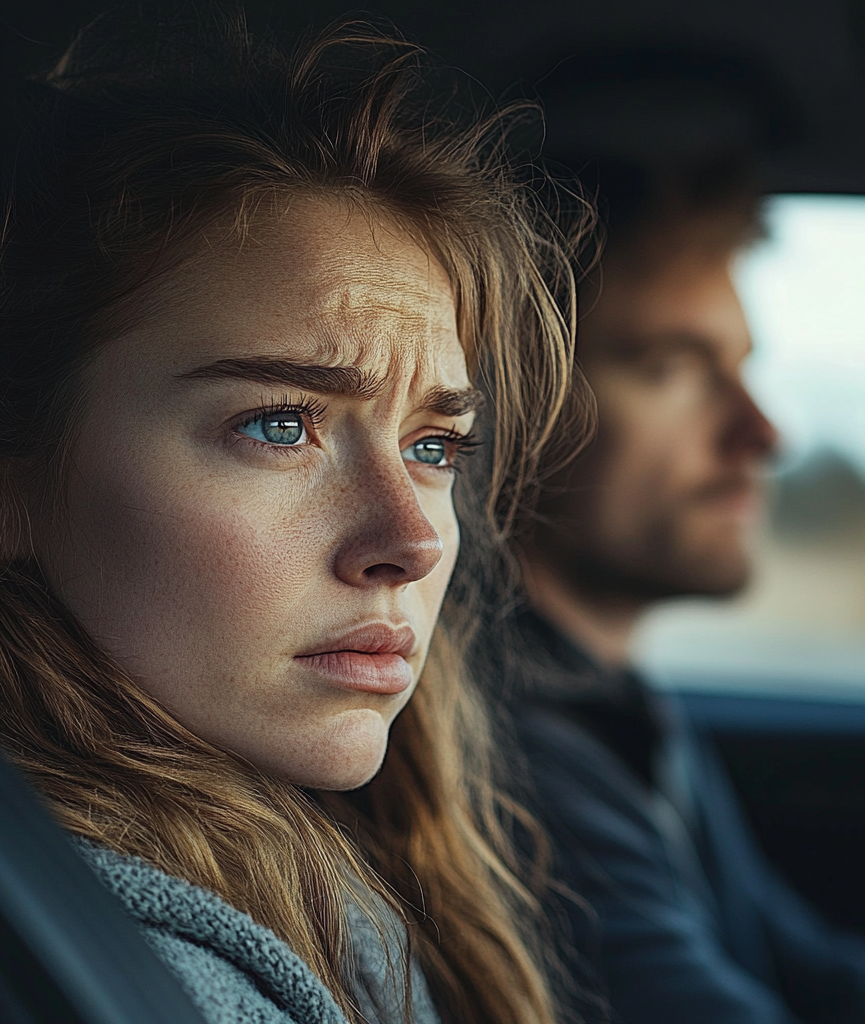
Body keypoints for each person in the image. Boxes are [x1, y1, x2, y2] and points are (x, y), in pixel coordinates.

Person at [0, 8, 590, 1024]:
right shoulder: (123, 959)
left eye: (433, 445)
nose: (409, 540)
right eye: (280, 424)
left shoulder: (317, 884)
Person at [503, 151, 865, 1021]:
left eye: (742, 365)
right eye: (670, 366)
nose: (763, 430)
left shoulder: (613, 706)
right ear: (507, 405)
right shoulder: (510, 755)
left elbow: (810, 966)